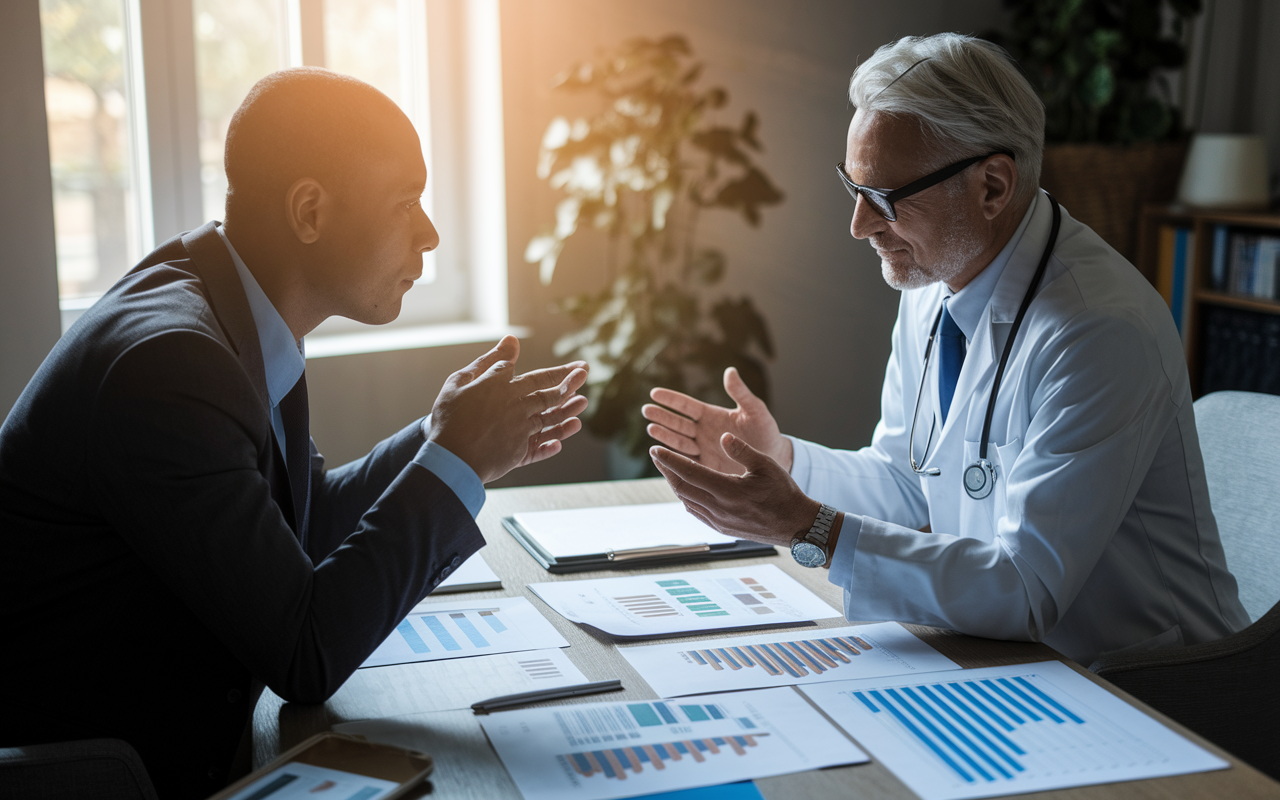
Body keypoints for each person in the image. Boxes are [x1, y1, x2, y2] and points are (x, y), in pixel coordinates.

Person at [0, 68, 587, 798]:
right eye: (406, 202)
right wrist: (458, 462)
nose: (430, 234)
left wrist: (440, 436)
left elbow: (297, 525)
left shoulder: (232, 306)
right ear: (309, 212)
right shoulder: (171, 366)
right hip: (112, 776)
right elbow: (306, 653)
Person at [644, 34, 1248, 670]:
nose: (859, 225)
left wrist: (809, 530)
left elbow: (1025, 590)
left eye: (884, 199)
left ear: (991, 186)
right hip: (1018, 663)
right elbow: (909, 483)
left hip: (1165, 691)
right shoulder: (936, 280)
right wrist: (782, 459)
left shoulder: (1098, 330)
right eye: (852, 186)